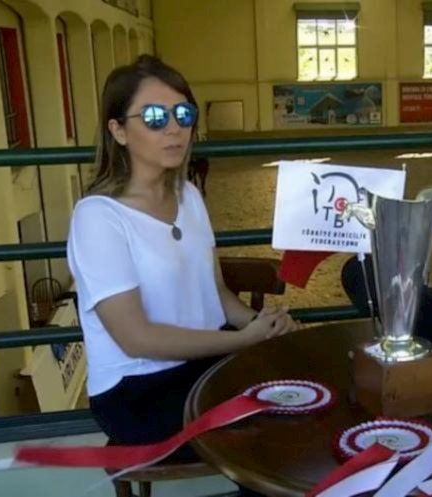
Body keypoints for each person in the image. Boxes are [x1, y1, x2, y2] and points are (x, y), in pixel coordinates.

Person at [67, 55, 297, 497]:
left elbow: (215, 292)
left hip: (203, 366)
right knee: (270, 427)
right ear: (118, 130)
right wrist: (240, 342)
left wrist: (259, 325)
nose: (174, 129)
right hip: (138, 391)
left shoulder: (188, 194)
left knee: (300, 396)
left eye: (184, 114)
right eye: (155, 117)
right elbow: (136, 338)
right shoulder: (98, 218)